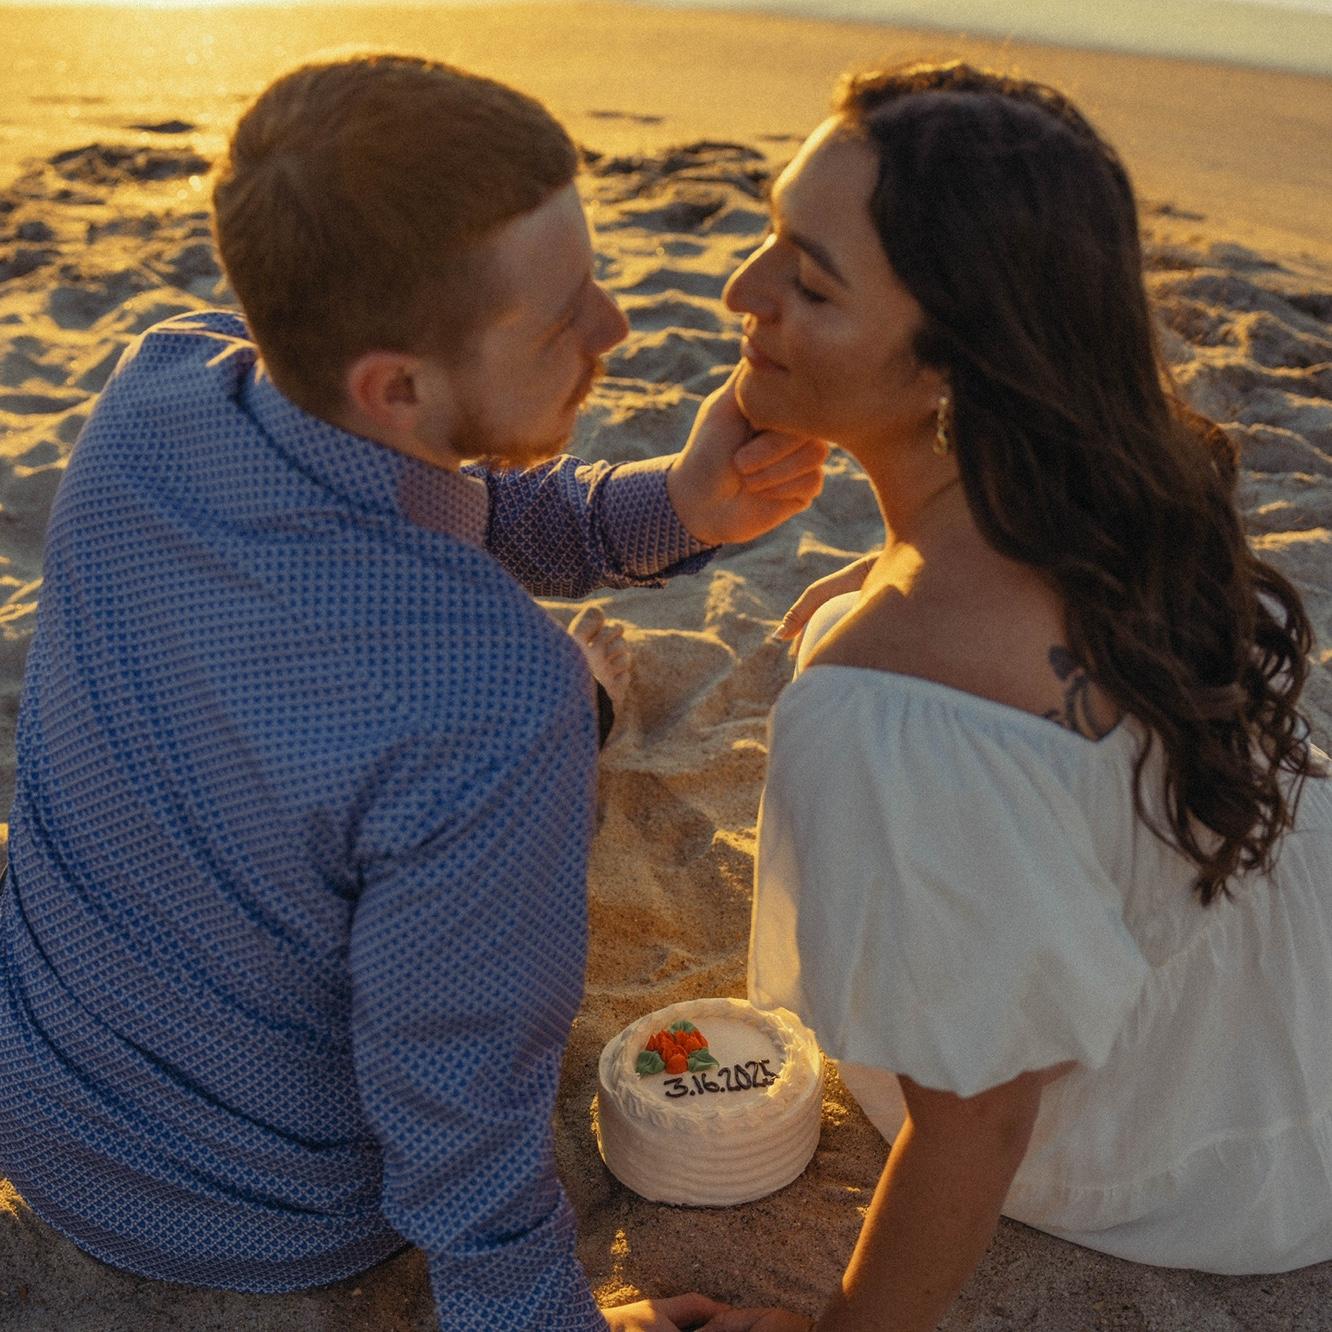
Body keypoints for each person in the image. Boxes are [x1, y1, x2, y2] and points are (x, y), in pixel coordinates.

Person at [0, 54, 829, 1332]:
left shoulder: (155, 394)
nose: (615, 328)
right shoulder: (500, 699)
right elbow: (461, 1122)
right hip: (262, 1220)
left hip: (38, 1109)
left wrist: (679, 507)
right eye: (563, 318)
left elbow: (434, 498)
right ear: (396, 384)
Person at [709, 62, 1332, 1332]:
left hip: (1220, 1125)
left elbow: (980, 1117)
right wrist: (887, 570)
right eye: (774, 234)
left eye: (810, 283)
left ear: (959, 367)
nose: (742, 294)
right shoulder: (1112, 486)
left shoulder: (887, 707)